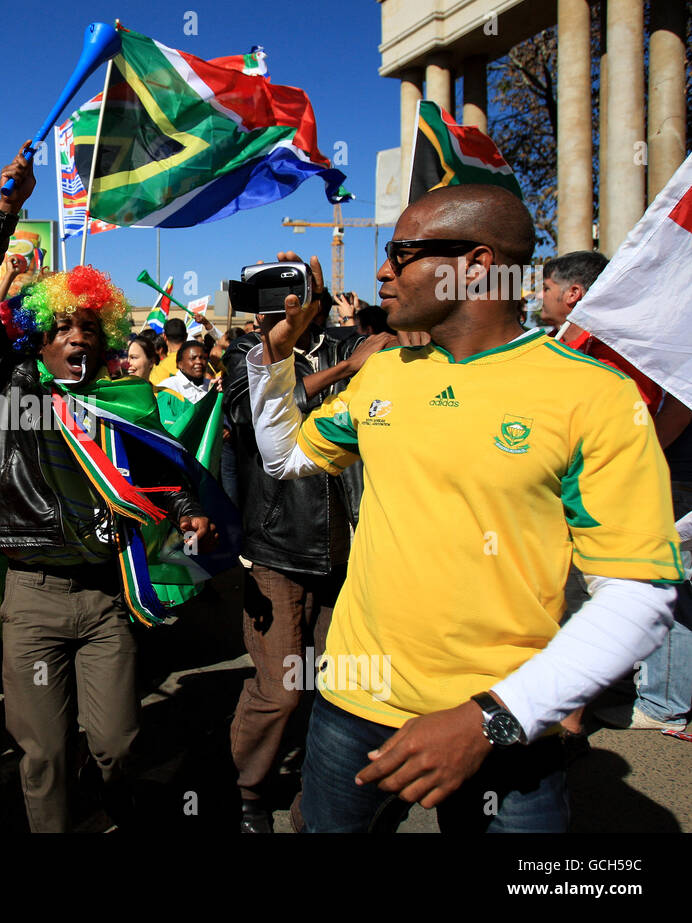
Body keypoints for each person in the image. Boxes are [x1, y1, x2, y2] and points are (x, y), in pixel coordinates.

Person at [246, 184, 681, 833]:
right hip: (352, 706)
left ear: (476, 265)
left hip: (509, 725)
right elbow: (286, 456)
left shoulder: (594, 395)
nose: (382, 271)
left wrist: (494, 716)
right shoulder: (386, 373)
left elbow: (639, 593)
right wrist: (272, 356)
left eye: (401, 253)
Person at [0, 144, 213, 833]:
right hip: (32, 599)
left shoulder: (122, 402)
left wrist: (188, 513)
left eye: (87, 329)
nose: (75, 339)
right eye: (61, 327)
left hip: (105, 599)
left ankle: (110, 805)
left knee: (115, 743)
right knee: (42, 753)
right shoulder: (13, 386)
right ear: (38, 338)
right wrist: (4, 209)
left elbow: (162, 470)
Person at [223, 285, 392, 833]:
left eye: (295, 298)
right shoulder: (243, 354)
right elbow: (252, 415)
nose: (282, 311)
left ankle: (315, 804)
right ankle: (248, 793)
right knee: (279, 692)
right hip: (277, 551)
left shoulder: (355, 342)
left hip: (349, 554)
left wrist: (356, 351)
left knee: (338, 689)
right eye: (271, 303)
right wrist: (343, 371)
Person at [542, 250, 692, 733]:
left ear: (574, 294)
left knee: (628, 584)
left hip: (627, 485)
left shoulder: (619, 340)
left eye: (546, 288)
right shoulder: (581, 339)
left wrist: (634, 463)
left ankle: (588, 715)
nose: (538, 296)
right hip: (615, 481)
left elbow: (676, 406)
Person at [150, 317, 188, 385]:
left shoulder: (160, 368)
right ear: (186, 336)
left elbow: (155, 394)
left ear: (164, 336)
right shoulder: (200, 362)